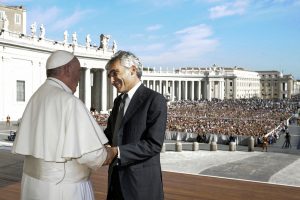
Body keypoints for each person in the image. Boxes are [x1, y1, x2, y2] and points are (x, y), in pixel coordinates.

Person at [12, 50, 114, 200]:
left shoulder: (36, 97)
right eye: (78, 71)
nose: (79, 77)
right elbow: (92, 156)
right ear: (67, 69)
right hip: (63, 189)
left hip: (32, 184)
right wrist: (111, 152)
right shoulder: (70, 102)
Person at [104, 50, 167, 199]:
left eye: (115, 73)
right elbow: (110, 134)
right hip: (115, 181)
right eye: (109, 75)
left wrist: (116, 152)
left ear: (132, 70)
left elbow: (154, 144)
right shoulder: (118, 101)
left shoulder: (154, 100)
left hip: (140, 186)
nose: (111, 80)